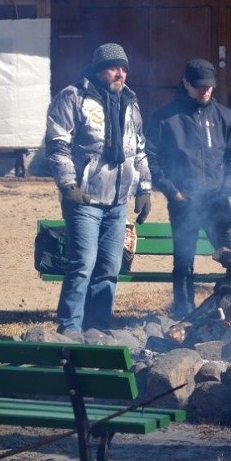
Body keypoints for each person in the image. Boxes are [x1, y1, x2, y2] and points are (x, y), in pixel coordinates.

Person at [45, 42, 152, 336]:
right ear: (98, 69)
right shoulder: (73, 97)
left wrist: (144, 188)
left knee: (108, 269)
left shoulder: (131, 102)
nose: (121, 74)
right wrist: (68, 185)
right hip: (85, 201)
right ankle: (70, 330)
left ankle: (98, 331)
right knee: (83, 266)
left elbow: (139, 148)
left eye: (124, 68)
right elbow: (57, 146)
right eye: (114, 68)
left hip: (117, 203)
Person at [146, 59, 231, 317]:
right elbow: (150, 158)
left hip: (217, 202)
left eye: (209, 86)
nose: (205, 91)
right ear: (186, 83)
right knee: (183, 262)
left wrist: (227, 187)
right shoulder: (165, 118)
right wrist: (172, 191)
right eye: (199, 86)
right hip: (183, 201)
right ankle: (183, 313)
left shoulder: (225, 116)